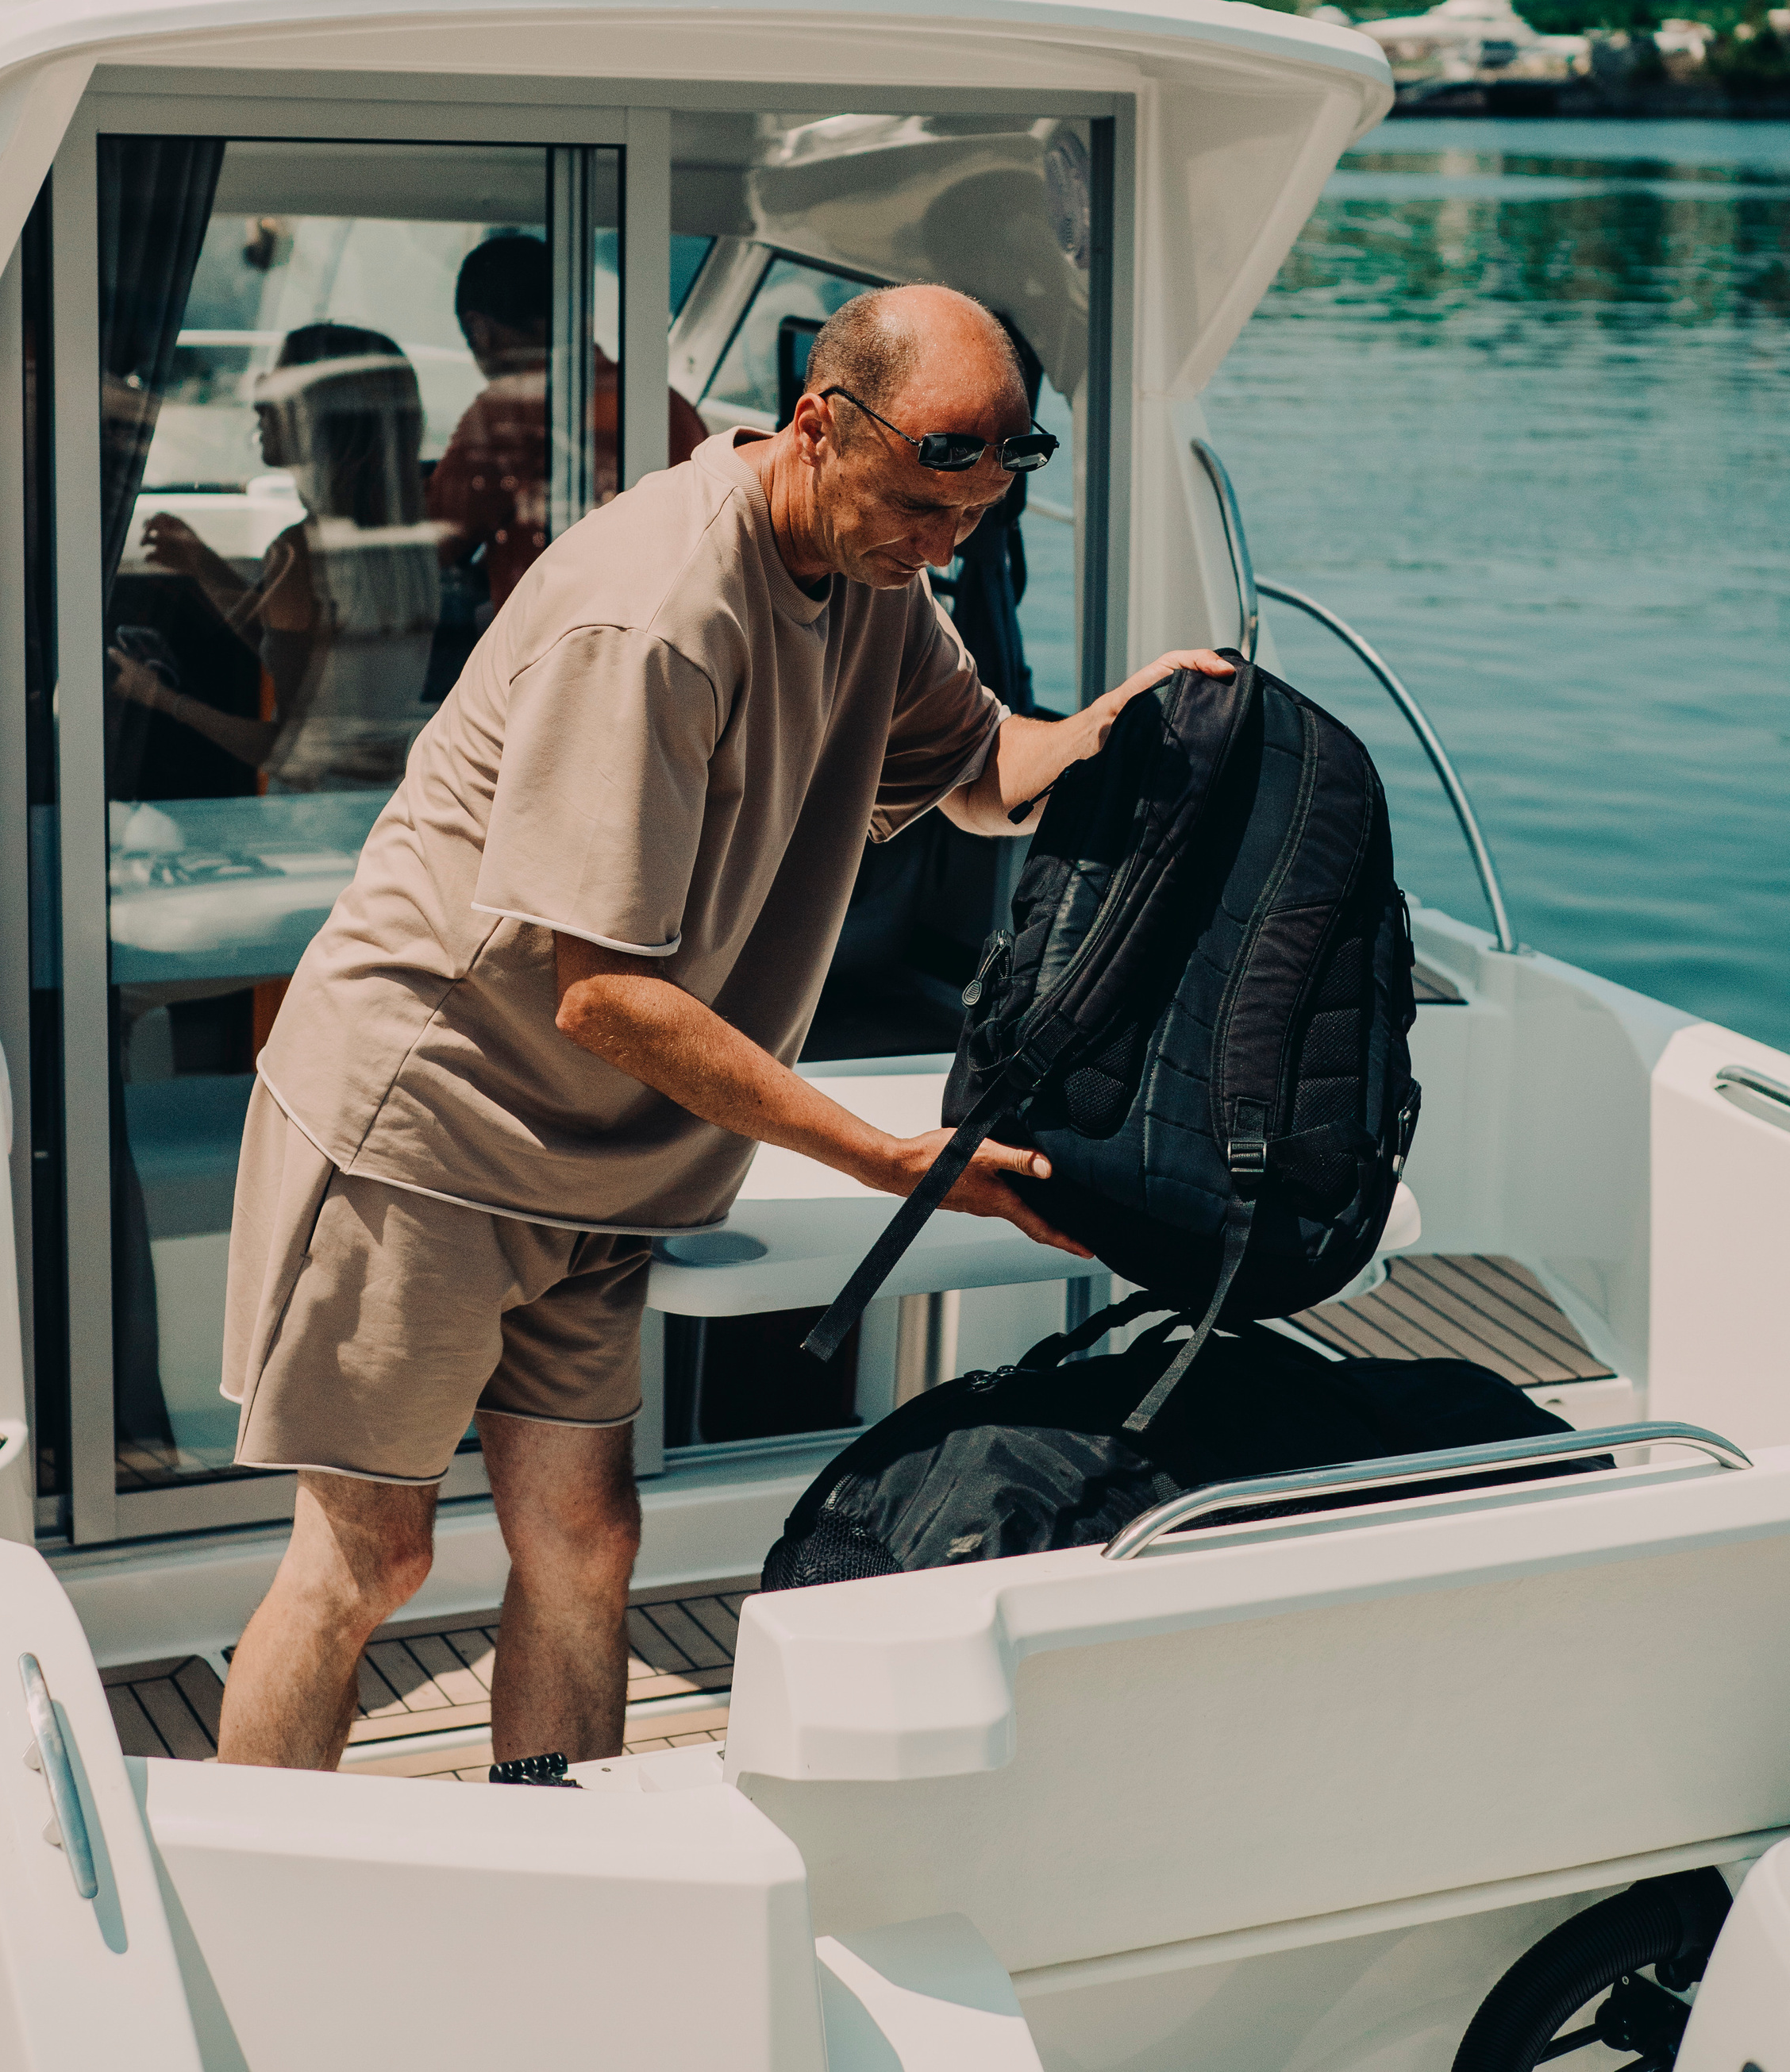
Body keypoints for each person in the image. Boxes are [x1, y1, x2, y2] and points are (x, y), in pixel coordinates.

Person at [215, 283, 1230, 1773]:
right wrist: (891, 1154)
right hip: (428, 1128)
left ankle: (567, 1868)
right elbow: (602, 989)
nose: (937, 549)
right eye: (915, 509)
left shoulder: (881, 571)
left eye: (968, 521)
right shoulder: (658, 613)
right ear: (819, 424)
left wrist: (1107, 729)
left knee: (587, 1539)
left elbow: (976, 766)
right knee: (369, 1559)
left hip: (600, 1159)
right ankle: (261, 1901)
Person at [109, 322, 443, 792]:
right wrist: (205, 565)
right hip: (381, 805)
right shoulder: (407, 545)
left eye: (280, 379)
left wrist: (161, 699)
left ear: (318, 415)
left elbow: (286, 750)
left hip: (310, 816)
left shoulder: (299, 553)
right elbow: (304, 661)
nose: (259, 395)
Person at [422, 232, 706, 616]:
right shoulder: (667, 405)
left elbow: (434, 546)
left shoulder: (504, 414)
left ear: (480, 330)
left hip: (556, 653)